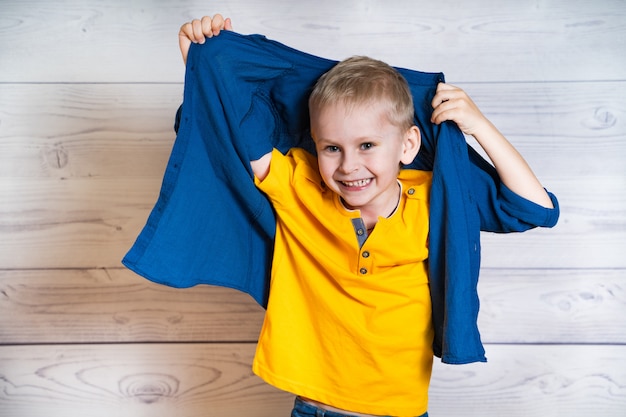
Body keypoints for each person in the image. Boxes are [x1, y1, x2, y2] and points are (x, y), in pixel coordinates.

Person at [175, 14, 556, 417]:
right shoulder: (299, 188)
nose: (349, 166)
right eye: (332, 148)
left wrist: (478, 125)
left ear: (408, 145)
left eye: (367, 144)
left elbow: (535, 209)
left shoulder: (434, 198)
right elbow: (231, 127)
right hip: (313, 409)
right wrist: (202, 59)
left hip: (400, 411)